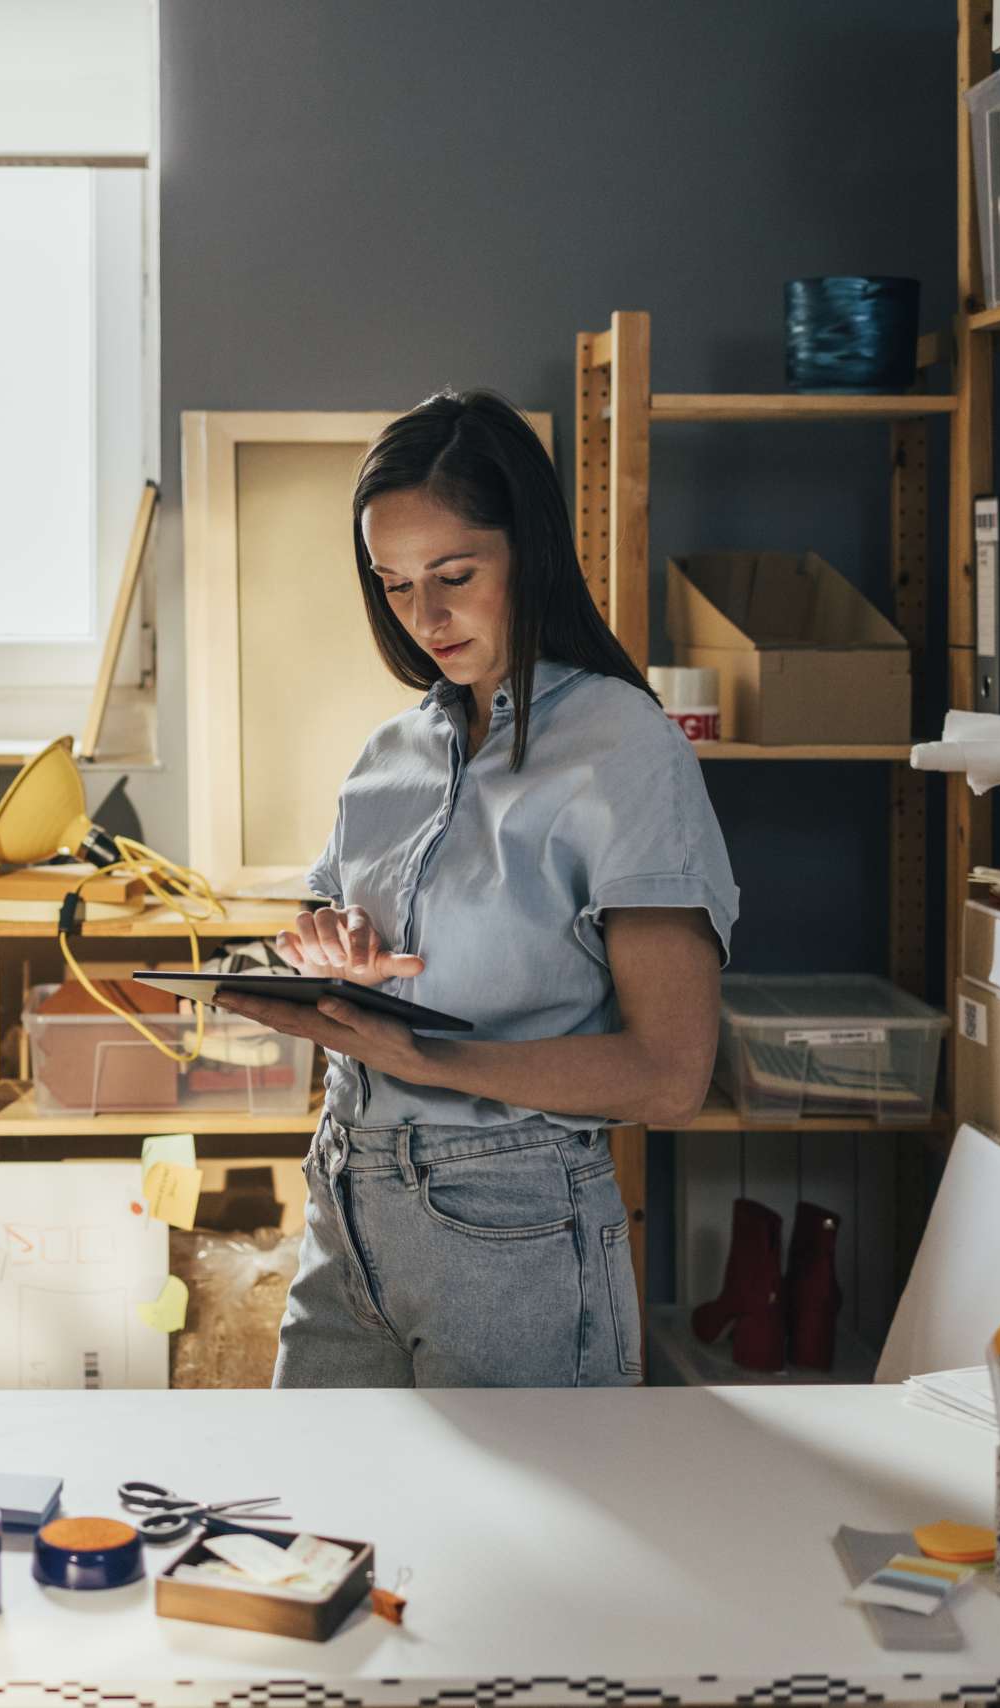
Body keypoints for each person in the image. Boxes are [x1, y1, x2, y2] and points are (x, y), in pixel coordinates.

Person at [216, 389, 738, 1389]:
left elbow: (670, 1074)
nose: (425, 616)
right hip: (345, 1201)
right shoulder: (390, 750)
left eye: (454, 575)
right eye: (395, 583)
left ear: (527, 553)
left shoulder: (624, 749)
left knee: (515, 1549)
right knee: (322, 1531)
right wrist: (324, 951)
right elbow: (319, 921)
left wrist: (428, 1056)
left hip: (514, 1221)